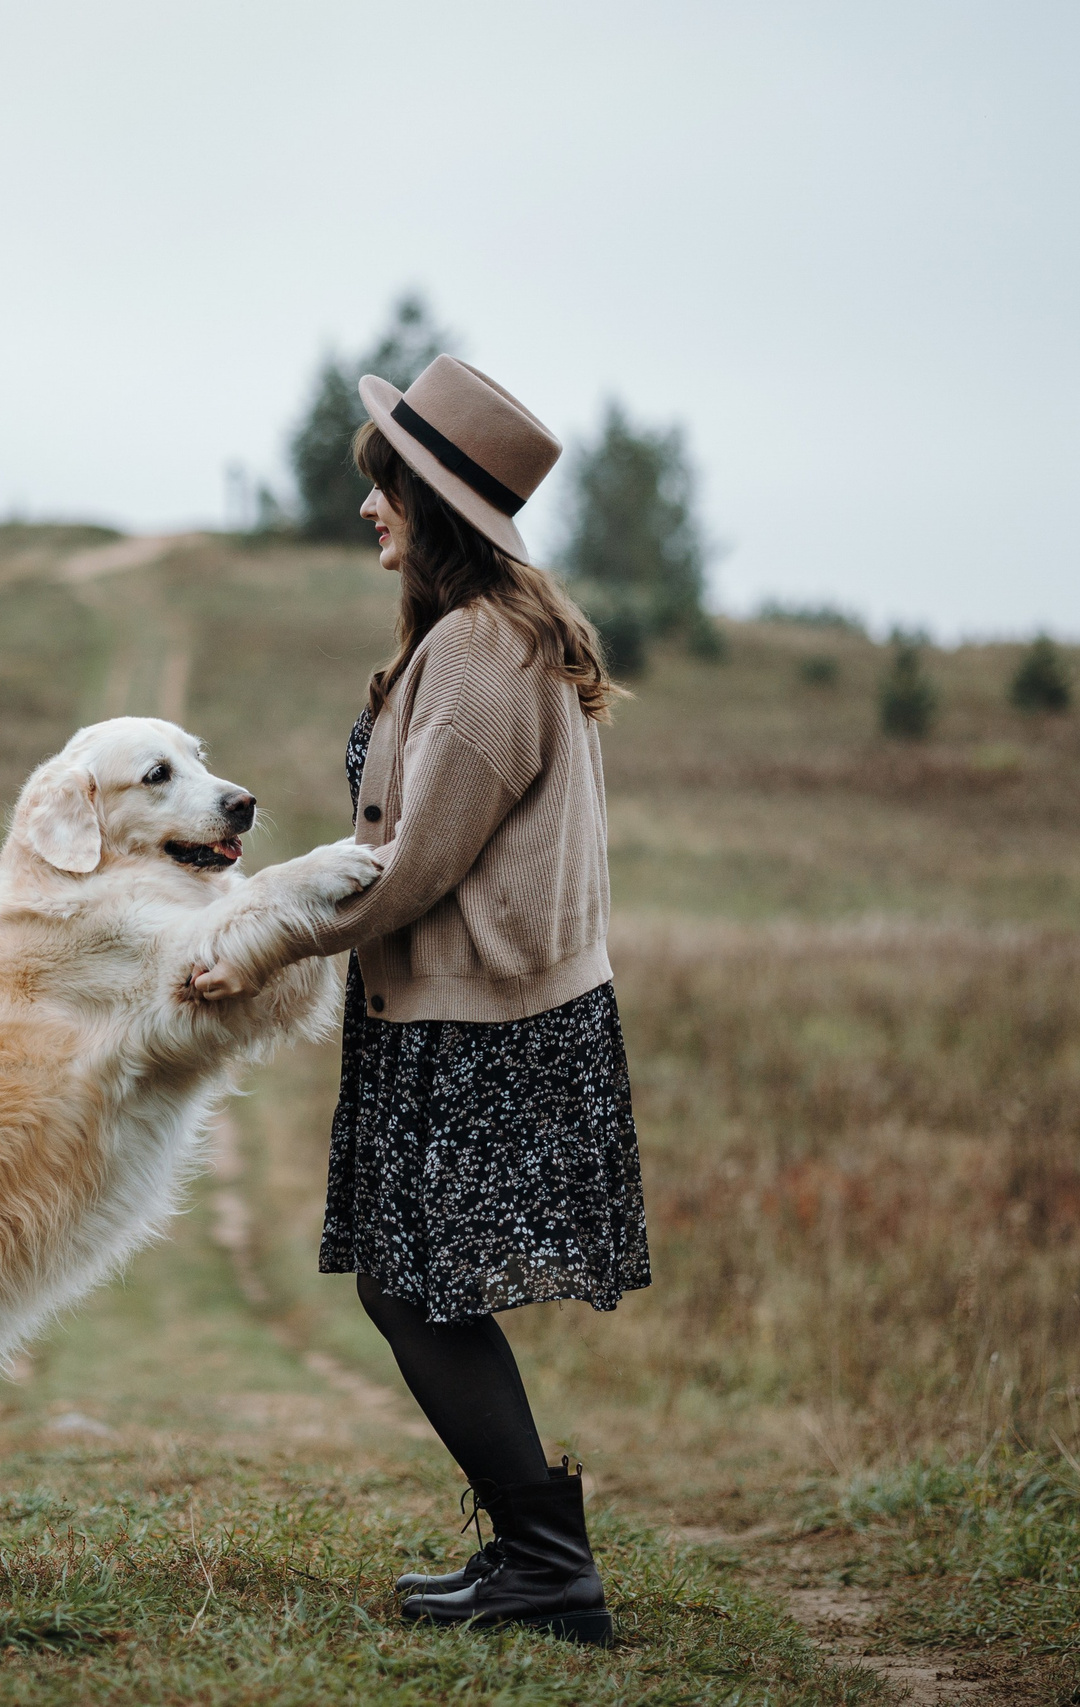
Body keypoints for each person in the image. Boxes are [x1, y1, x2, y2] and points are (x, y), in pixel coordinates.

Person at [186, 355, 649, 1645]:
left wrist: (267, 941)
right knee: (416, 1281)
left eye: (384, 486)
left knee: (415, 1284)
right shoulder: (468, 635)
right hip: (454, 1017)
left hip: (482, 1024)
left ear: (435, 499)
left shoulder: (490, 652)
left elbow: (410, 865)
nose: (368, 509)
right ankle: (537, 1555)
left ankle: (550, 1562)